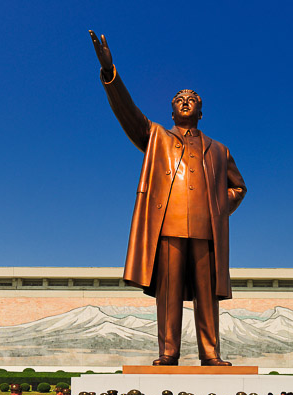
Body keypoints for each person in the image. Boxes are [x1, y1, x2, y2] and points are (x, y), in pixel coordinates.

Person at [89, 31, 247, 367]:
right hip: (168, 224)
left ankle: (211, 353)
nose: (186, 101)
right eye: (179, 99)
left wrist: (219, 209)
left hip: (206, 229)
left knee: (207, 296)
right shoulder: (157, 137)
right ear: (172, 110)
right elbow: (129, 114)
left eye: (193, 99)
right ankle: (168, 352)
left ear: (201, 111)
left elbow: (239, 188)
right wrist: (109, 73)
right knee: (169, 292)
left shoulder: (220, 150)